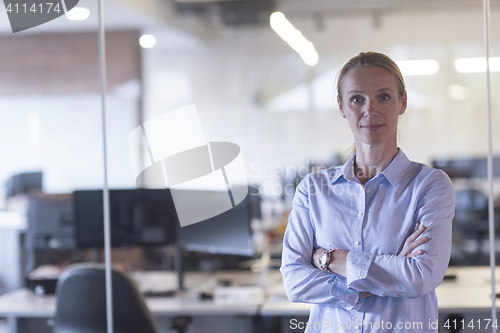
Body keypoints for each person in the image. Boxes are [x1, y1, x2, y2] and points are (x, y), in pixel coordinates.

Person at [280, 51, 455, 333]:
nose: (369, 110)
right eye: (357, 99)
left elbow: (420, 278)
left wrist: (330, 260)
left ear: (402, 101)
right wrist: (390, 273)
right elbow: (294, 283)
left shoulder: (430, 185)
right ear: (341, 106)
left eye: (383, 96)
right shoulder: (313, 190)